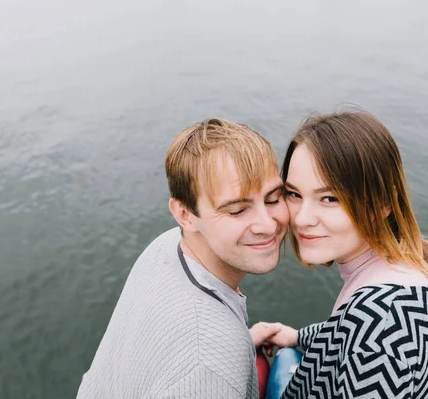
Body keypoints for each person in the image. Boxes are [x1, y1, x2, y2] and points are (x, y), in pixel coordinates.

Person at [261, 111, 428, 398]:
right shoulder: (417, 276)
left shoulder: (379, 325)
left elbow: (371, 333)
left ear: (383, 203)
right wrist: (298, 337)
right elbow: (347, 330)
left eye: (330, 198)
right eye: (294, 194)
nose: (302, 218)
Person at [77, 118, 288, 398]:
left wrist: (238, 344)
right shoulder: (208, 365)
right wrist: (223, 355)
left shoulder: (164, 247)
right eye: (237, 210)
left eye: (274, 198)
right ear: (185, 215)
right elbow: (202, 364)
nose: (268, 224)